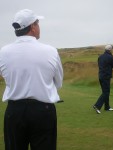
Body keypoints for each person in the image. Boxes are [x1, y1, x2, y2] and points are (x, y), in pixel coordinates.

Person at [0, 9, 63, 150]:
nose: (39, 27)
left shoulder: (3, 52)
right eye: (37, 23)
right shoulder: (50, 51)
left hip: (14, 111)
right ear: (33, 27)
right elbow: (58, 83)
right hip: (43, 111)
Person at [93, 44, 113, 114]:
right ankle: (97, 105)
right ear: (110, 50)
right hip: (106, 77)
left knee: (105, 92)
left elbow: (101, 65)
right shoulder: (110, 57)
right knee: (106, 92)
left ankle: (107, 107)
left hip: (100, 76)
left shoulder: (100, 56)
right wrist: (112, 58)